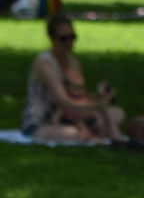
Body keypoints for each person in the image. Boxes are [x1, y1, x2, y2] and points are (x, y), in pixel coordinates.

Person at [21, 14, 125, 142]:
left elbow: (79, 97)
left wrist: (100, 100)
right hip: (43, 122)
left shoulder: (73, 62)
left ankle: (93, 129)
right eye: (64, 39)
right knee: (73, 134)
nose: (69, 43)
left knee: (118, 113)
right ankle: (94, 130)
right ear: (52, 39)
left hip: (74, 117)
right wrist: (97, 107)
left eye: (72, 37)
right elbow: (63, 102)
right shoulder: (45, 64)